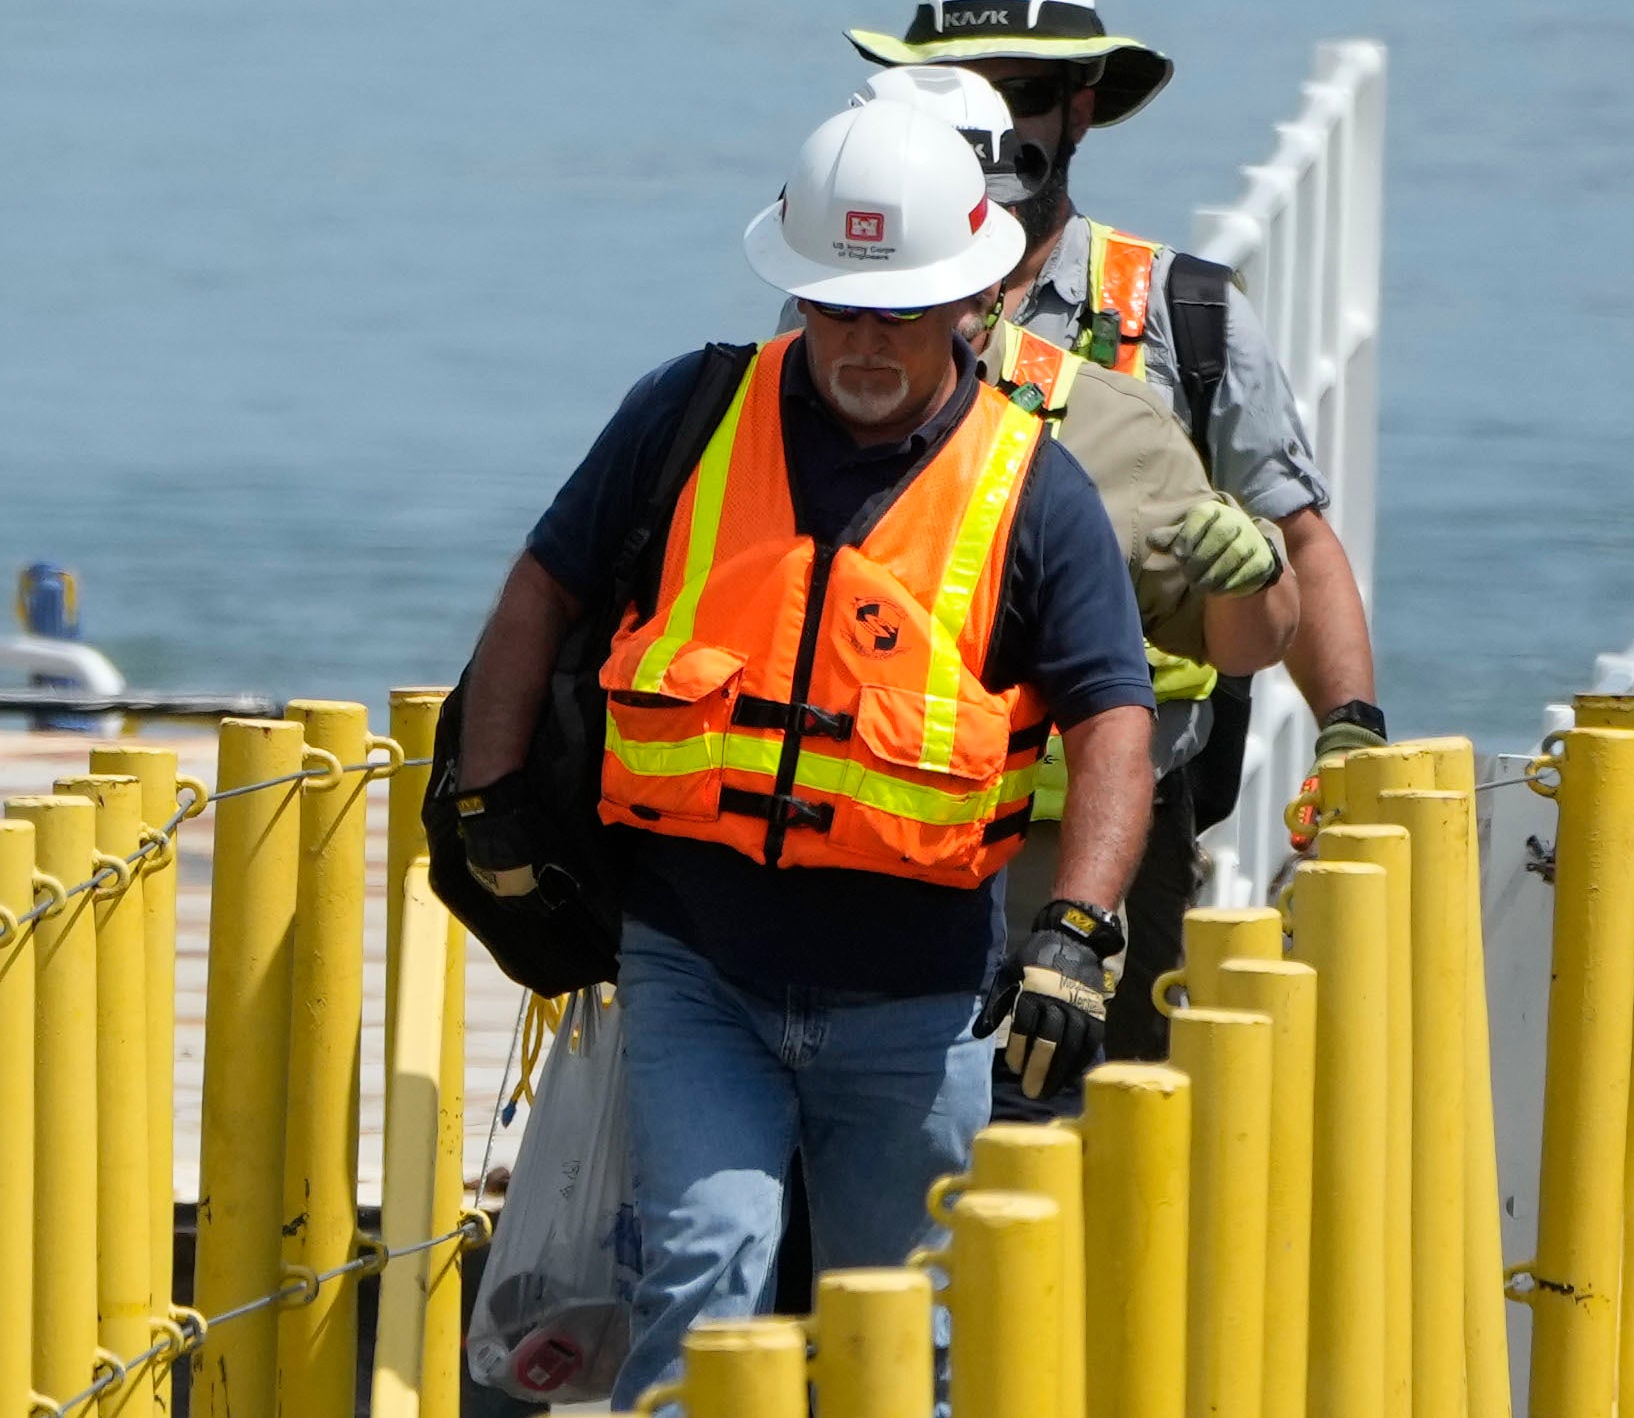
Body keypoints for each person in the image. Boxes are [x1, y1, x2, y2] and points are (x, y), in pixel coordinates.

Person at [430, 85, 1163, 1345]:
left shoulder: (1030, 492)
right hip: (697, 965)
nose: (865, 344)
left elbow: (1113, 717)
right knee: (706, 1276)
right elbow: (543, 585)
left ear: (970, 303)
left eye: (899, 313)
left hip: (919, 999)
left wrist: (1081, 930)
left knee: (904, 1330)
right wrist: (487, 804)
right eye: (836, 307)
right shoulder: (689, 415)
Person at [846, 0, 1379, 1003]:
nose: (991, 123)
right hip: (893, 802)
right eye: (957, 93)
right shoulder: (848, 310)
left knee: (1109, 1135)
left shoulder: (1187, 315)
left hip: (1124, 811)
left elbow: (1299, 535)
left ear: (1080, 106)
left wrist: (1352, 741)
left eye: (1024, 92)